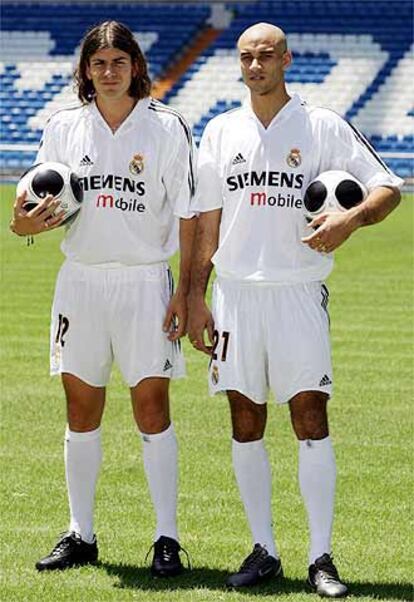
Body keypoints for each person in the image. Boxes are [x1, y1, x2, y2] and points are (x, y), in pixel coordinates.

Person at [187, 22, 403, 598]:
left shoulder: (322, 124)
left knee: (310, 419)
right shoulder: (219, 130)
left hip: (298, 293)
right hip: (234, 296)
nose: (255, 65)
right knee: (245, 422)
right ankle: (264, 550)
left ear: (285, 58)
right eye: (245, 57)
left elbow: (388, 188)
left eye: (265, 55)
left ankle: (321, 556)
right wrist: (194, 296)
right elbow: (206, 222)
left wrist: (349, 219)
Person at [10, 21, 196, 576]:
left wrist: (187, 292)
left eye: (119, 61)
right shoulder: (65, 126)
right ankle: (81, 533)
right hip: (81, 282)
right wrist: (24, 225)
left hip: (144, 281)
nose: (109, 72)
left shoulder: (166, 126)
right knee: (81, 409)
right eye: (99, 63)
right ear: (86, 71)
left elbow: (188, 215)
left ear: (136, 65)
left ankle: (166, 537)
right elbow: (28, 212)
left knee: (152, 409)